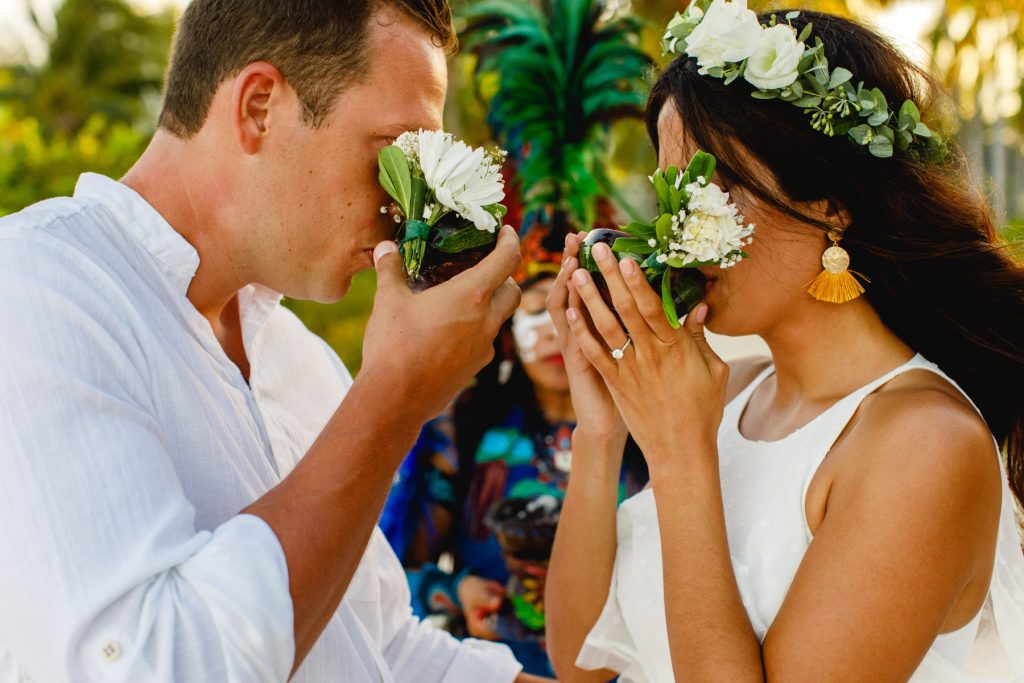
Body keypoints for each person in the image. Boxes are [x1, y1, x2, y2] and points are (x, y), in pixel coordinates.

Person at [0, 1, 550, 681]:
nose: (411, 209)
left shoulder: (297, 357)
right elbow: (156, 665)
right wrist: (393, 399)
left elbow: (380, 648)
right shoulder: (35, 290)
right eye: (396, 158)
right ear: (260, 106)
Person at [544, 6, 1024, 683]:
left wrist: (680, 455)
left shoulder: (924, 443)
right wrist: (600, 430)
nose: (678, 226)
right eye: (671, 185)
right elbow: (579, 664)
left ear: (832, 200)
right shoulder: (728, 393)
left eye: (723, 182)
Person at [381, 225, 649, 677]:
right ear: (509, 332)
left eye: (577, 310)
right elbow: (386, 578)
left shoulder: (649, 424)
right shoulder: (464, 425)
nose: (557, 331)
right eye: (537, 314)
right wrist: (456, 591)